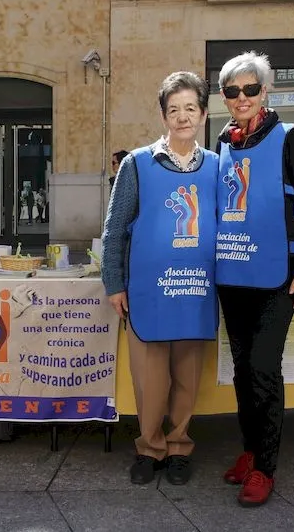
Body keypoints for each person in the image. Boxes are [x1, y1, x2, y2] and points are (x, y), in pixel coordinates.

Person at [214, 51, 294, 506]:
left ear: (265, 91)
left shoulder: (288, 136)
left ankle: (266, 468)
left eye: (250, 89)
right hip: (233, 275)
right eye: (233, 91)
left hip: (277, 277)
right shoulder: (221, 142)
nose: (242, 98)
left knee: (262, 368)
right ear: (224, 97)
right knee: (241, 371)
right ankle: (250, 450)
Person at [102, 72, 218, 486]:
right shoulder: (137, 164)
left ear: (203, 114)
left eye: (190, 108)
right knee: (151, 380)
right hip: (148, 292)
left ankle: (179, 446)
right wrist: (115, 283)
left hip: (196, 289)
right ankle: (149, 447)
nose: (182, 117)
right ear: (164, 116)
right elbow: (115, 228)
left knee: (187, 377)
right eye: (174, 110)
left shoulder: (218, 168)